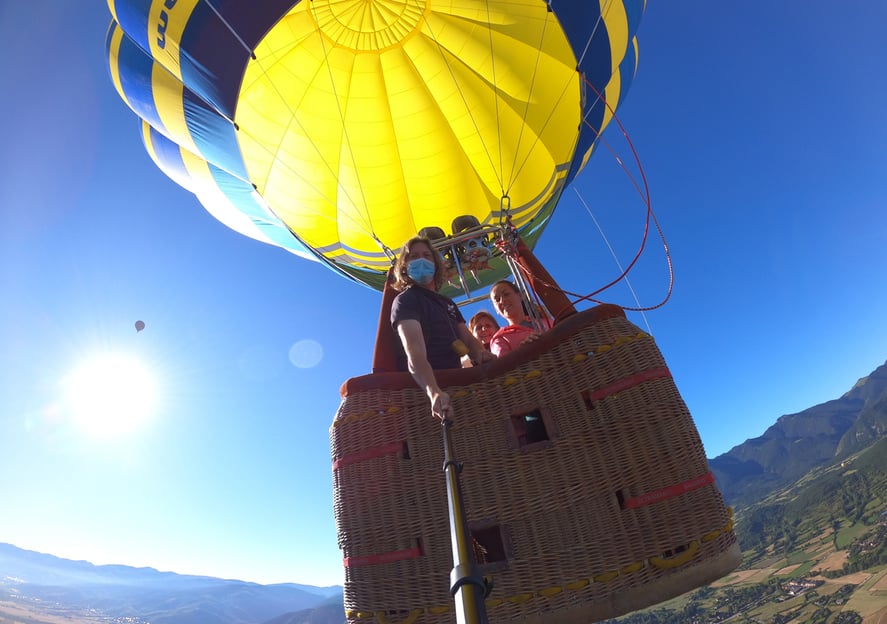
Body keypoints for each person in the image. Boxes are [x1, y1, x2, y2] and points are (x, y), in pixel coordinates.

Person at [391, 236, 495, 419]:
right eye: (414, 256)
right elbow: (414, 352)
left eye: (426, 255)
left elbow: (468, 339)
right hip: (425, 388)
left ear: (436, 264)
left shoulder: (447, 303)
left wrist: (480, 352)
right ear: (405, 266)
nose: (421, 260)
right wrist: (433, 392)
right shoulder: (405, 300)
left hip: (455, 382)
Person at [488, 280, 552, 357]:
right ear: (496, 310)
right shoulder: (500, 339)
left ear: (520, 296)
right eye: (497, 300)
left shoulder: (546, 320)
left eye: (506, 294)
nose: (502, 301)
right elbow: (504, 366)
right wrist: (522, 351)